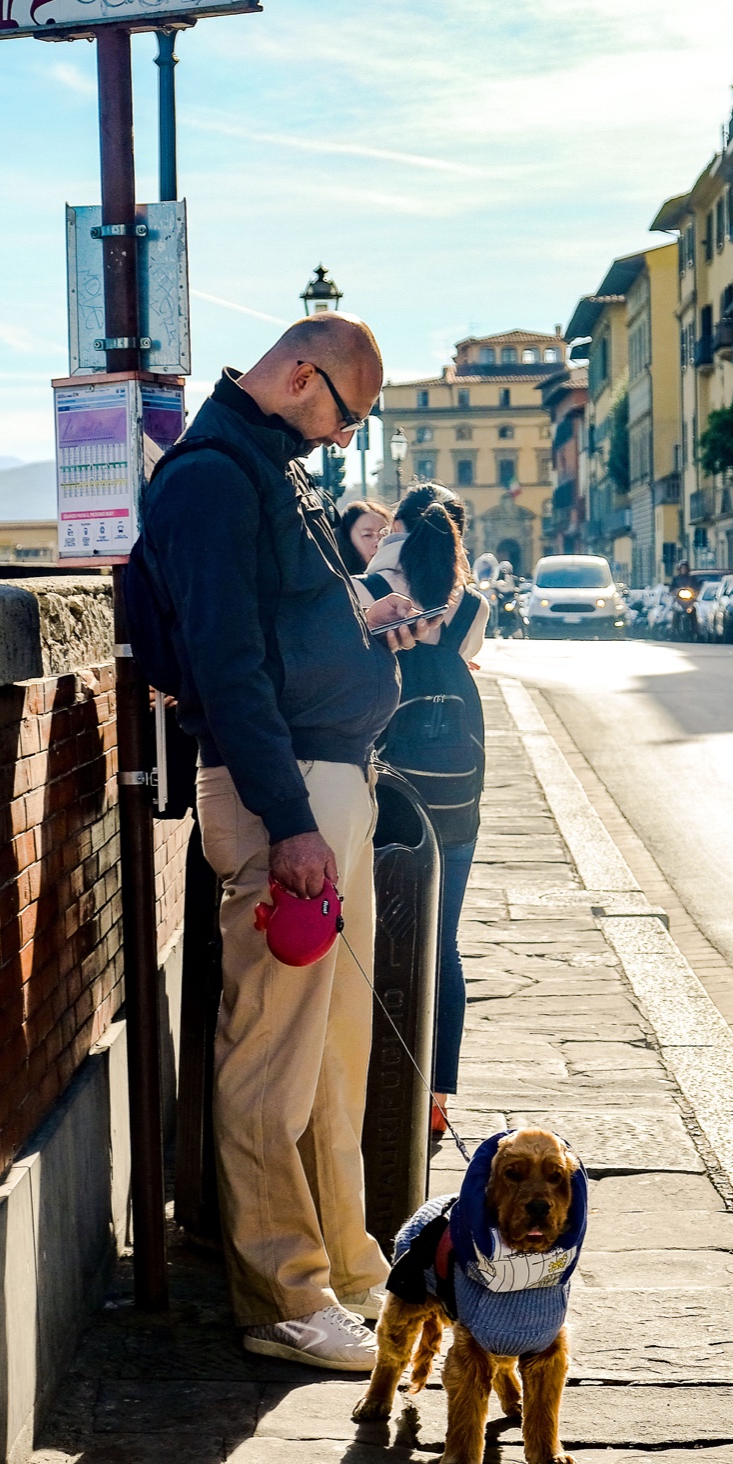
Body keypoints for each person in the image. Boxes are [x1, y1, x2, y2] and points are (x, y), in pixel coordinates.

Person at [137, 314, 438, 1372]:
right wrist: (292, 820)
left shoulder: (267, 466)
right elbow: (226, 663)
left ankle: (347, 1266)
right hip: (287, 798)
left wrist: (365, 613)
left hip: (323, 781)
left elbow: (280, 626)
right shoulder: (215, 477)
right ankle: (281, 1296)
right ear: (302, 373)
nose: (342, 441)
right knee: (271, 1060)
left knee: (332, 1059)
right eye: (343, 417)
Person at [361, 483, 489, 1139]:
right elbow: (461, 659)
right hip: (457, 800)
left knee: (377, 935)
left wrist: (386, 553)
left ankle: (375, 1074)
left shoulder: (380, 586)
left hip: (392, 795)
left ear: (401, 529)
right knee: (442, 946)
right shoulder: (472, 605)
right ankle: (436, 1098)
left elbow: (358, 644)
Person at [337, 497, 393, 576]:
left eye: (385, 534)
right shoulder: (337, 583)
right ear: (348, 540)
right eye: (367, 535)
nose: (379, 542)